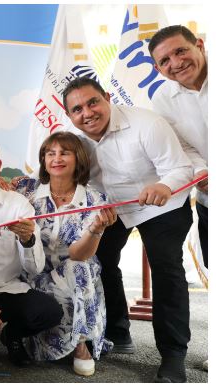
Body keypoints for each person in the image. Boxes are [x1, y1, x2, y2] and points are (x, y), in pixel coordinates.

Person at [63, 77, 194, 383]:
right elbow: (59, 170)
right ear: (69, 115)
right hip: (111, 208)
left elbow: (181, 168)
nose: (88, 113)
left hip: (162, 203)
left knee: (167, 270)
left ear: (107, 97)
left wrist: (164, 185)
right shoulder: (73, 137)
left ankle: (174, 354)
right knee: (100, 262)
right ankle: (117, 331)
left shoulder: (147, 123)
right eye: (78, 109)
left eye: (93, 102)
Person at [12, 132, 116, 376]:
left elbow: (78, 254)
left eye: (64, 153)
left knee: (77, 268)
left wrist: (95, 230)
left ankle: (80, 344)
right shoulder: (25, 189)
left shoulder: (94, 199)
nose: (56, 158)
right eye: (50, 153)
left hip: (75, 272)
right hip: (32, 272)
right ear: (43, 160)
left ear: (78, 159)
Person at [0, 136, 63, 368]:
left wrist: (27, 239)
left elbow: (34, 269)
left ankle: (13, 335)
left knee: (49, 312)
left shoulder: (18, 205)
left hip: (6, 290)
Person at [149, 25, 208, 269]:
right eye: (165, 60)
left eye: (181, 51)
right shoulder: (161, 100)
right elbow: (183, 147)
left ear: (200, 45)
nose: (176, 62)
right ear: (158, 69)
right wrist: (201, 171)